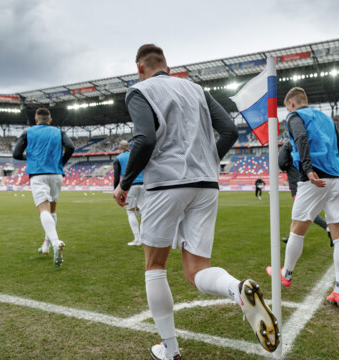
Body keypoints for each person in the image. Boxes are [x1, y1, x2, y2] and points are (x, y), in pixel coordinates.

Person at [113, 44, 280, 360]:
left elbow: (145, 138)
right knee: (196, 270)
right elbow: (229, 130)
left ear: (139, 67)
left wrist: (124, 182)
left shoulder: (139, 91)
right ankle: (236, 289)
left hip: (165, 184)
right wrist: (206, 163)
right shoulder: (196, 89)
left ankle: (171, 349)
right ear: (167, 65)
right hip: (206, 185)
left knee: (155, 266)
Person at [267, 87, 339, 307]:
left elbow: (301, 137)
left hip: (314, 177)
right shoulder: (327, 118)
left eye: (287, 107)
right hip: (337, 176)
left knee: (297, 228)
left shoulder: (294, 116)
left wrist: (308, 168)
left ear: (291, 104)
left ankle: (286, 274)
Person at [13, 107, 75, 267]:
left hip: (38, 173)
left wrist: (31, 156)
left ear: (36, 120)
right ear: (50, 120)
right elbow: (71, 147)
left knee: (43, 210)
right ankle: (46, 245)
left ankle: (55, 243)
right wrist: (61, 162)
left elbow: (16, 154)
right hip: (56, 174)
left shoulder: (28, 132)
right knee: (52, 210)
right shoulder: (59, 132)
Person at [278, 141, 333, 246]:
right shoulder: (305, 144)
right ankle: (291, 237)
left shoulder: (289, 145)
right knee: (302, 212)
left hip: (297, 185)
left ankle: (328, 228)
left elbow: (282, 164)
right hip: (307, 181)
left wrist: (285, 149)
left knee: (303, 212)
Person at [113, 140, 145, 246]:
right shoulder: (137, 155)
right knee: (143, 211)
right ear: (129, 147)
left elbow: (116, 178)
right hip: (144, 184)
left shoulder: (118, 158)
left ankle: (138, 239)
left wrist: (116, 191)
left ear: (119, 148)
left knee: (130, 211)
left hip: (130, 185)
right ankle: (146, 238)